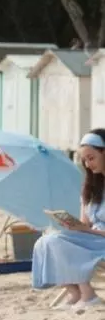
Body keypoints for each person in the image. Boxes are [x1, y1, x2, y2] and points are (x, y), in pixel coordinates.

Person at [31, 130, 105, 309]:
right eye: (84, 160)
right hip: (92, 239)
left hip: (100, 242)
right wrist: (73, 225)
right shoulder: (91, 187)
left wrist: (87, 230)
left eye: (91, 158)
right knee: (46, 240)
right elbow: (85, 223)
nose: (88, 164)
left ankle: (88, 294)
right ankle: (74, 292)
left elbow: (88, 229)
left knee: (58, 242)